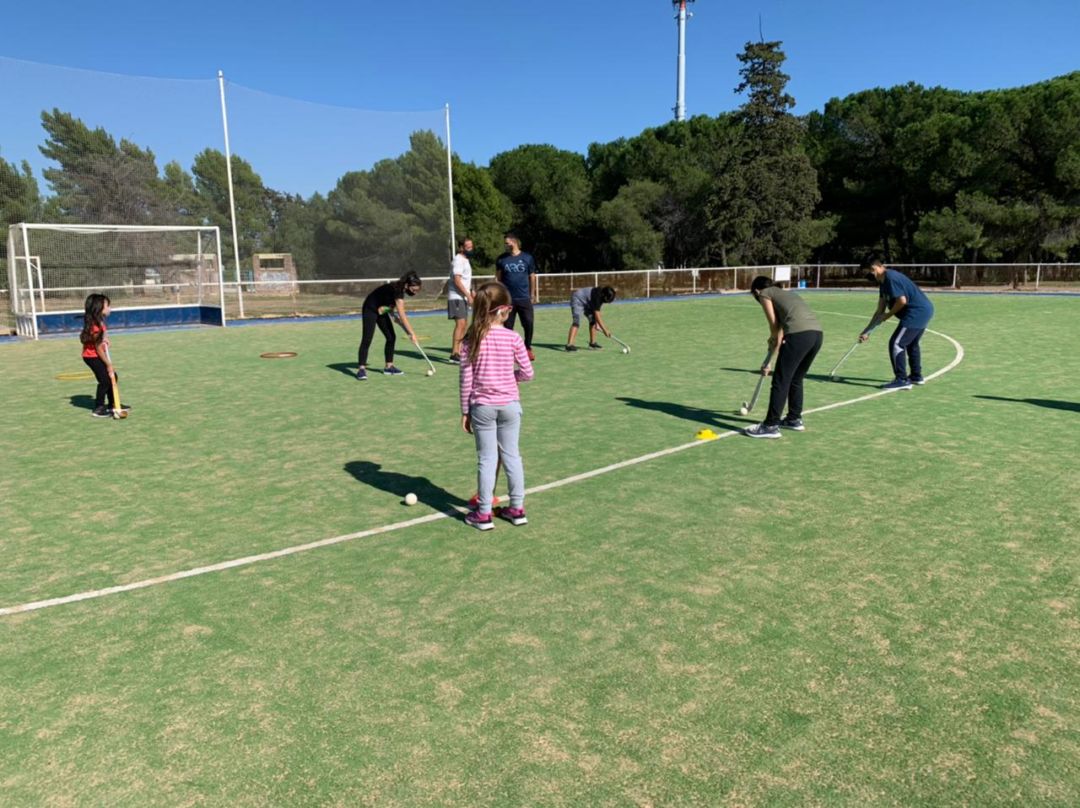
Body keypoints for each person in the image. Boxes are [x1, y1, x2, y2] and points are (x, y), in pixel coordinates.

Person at [459, 281, 534, 530]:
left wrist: (465, 411)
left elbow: (466, 379)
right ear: (504, 310)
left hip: (482, 407)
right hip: (511, 405)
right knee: (512, 456)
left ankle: (483, 514)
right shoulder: (513, 337)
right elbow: (528, 372)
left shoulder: (471, 338)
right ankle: (516, 509)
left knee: (487, 459)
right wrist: (510, 379)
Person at [743, 276, 824, 439]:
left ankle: (770, 425)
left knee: (780, 380)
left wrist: (771, 348)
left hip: (799, 336)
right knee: (796, 378)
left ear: (756, 291)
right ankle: (794, 419)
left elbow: (774, 328)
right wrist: (769, 361)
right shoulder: (788, 294)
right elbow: (780, 330)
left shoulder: (765, 293)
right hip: (816, 335)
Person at [858, 254, 935, 390]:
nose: (865, 275)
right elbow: (879, 311)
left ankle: (901, 379)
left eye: (865, 271)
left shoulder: (891, 278)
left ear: (873, 268)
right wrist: (867, 331)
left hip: (916, 312)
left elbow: (902, 301)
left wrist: (888, 315)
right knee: (911, 344)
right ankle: (916, 376)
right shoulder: (883, 283)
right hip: (923, 311)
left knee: (896, 343)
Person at [355, 271, 422, 380]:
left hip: (381, 309)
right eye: (414, 290)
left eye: (417, 291)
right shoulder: (397, 291)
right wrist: (412, 333)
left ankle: (389, 367)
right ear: (407, 285)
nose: (415, 293)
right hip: (370, 308)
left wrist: (404, 328)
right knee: (367, 338)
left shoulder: (399, 290)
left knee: (391, 337)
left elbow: (392, 311)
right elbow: (403, 315)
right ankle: (361, 369)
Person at [80, 293, 129, 418]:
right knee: (105, 380)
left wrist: (105, 340)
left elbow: (101, 339)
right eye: (107, 306)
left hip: (96, 353)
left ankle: (113, 404)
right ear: (99, 308)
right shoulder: (95, 326)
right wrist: (108, 364)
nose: (110, 309)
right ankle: (99, 407)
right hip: (92, 356)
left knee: (113, 377)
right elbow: (97, 349)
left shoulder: (99, 322)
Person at [495, 231, 538, 361]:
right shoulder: (501, 259)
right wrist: (498, 296)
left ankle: (527, 347)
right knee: (507, 326)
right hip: (508, 300)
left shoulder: (527, 258)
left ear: (514, 242)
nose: (506, 245)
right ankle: (509, 351)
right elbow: (497, 279)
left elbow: (532, 277)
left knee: (529, 324)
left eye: (507, 243)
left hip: (524, 298)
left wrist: (533, 294)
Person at [447, 237, 475, 364]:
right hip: (456, 297)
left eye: (471, 246)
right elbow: (457, 281)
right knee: (460, 325)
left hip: (462, 297)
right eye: (468, 247)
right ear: (461, 247)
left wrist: (472, 291)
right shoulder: (458, 260)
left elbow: (466, 279)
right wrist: (468, 296)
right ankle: (454, 354)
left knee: (463, 325)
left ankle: (458, 352)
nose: (470, 249)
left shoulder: (466, 260)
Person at [565, 286, 616, 351]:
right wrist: (605, 330)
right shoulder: (597, 296)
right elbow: (597, 314)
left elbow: (596, 313)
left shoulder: (602, 296)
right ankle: (569, 345)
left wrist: (597, 324)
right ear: (604, 295)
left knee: (593, 321)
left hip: (587, 303)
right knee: (576, 322)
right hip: (577, 300)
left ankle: (592, 343)